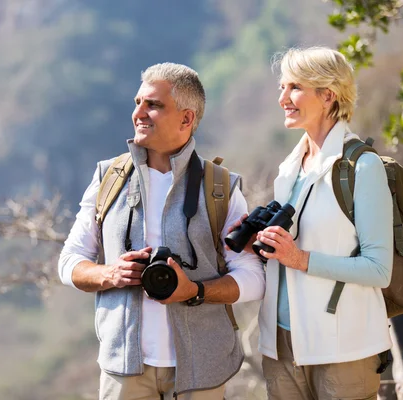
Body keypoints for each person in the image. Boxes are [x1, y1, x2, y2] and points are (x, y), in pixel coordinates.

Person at [58, 62, 265, 400]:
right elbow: (69, 261)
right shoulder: (107, 178)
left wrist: (193, 291)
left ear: (187, 118)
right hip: (124, 368)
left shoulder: (220, 187)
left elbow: (254, 278)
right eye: (138, 102)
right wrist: (111, 273)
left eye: (153, 105)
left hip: (203, 368)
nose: (139, 113)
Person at [235, 47, 394, 399]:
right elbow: (292, 256)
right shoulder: (290, 168)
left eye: (294, 87)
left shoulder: (362, 168)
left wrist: (299, 259)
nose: (282, 99)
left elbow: (379, 269)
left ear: (327, 95)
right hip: (282, 346)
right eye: (281, 87)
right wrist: (263, 249)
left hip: (343, 348)